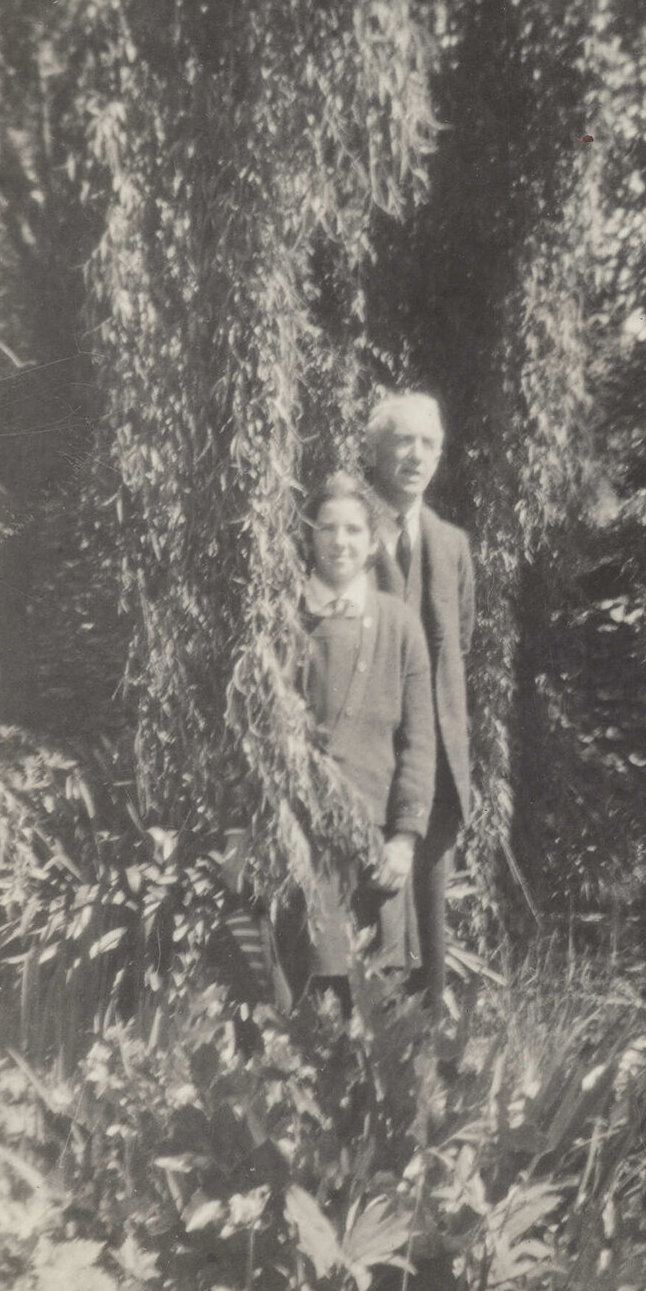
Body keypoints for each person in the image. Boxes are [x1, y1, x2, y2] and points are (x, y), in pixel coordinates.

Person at [219, 472, 436, 1013]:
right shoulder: (280, 625)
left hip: (376, 848)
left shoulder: (400, 626)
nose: (341, 542)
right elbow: (251, 741)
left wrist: (405, 839)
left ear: (372, 540)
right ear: (310, 536)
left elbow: (418, 742)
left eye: (355, 530)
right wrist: (240, 834)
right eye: (329, 529)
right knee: (302, 998)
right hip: (297, 845)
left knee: (375, 1010)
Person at [364, 392, 474, 1007]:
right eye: (402, 440)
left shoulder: (453, 546)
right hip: (368, 763)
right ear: (376, 449)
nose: (415, 455)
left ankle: (429, 1086)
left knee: (430, 950)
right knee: (372, 939)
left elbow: (458, 646)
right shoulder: (344, 534)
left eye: (428, 443)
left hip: (436, 772)